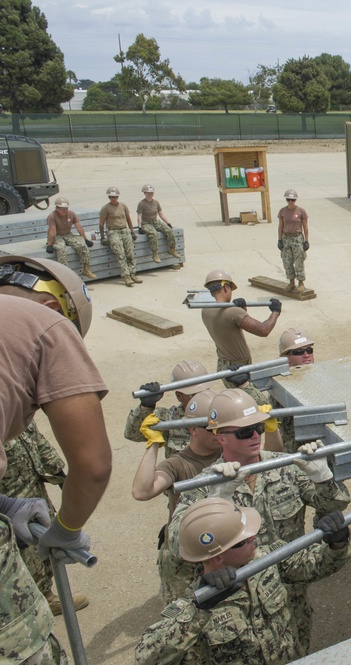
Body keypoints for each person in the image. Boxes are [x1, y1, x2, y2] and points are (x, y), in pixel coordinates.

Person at [168, 389, 351, 658]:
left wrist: (323, 479)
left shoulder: (285, 465)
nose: (255, 436)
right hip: (234, 602)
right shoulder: (205, 484)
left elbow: (330, 509)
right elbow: (175, 543)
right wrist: (215, 504)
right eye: (244, 432)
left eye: (258, 427)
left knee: (296, 650)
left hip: (289, 592)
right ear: (220, 438)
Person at [0, 255, 112, 664]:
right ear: (53, 309)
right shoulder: (43, 323)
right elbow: (93, 465)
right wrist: (66, 529)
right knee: (26, 648)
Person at [136, 498, 351, 665]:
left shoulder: (266, 559)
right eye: (243, 540)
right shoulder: (195, 603)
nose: (254, 538)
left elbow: (315, 565)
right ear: (217, 557)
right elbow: (146, 657)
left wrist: (336, 544)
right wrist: (197, 611)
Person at [132, 389, 221, 603]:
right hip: (185, 558)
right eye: (211, 428)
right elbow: (142, 491)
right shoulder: (178, 463)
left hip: (220, 548)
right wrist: (153, 444)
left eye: (223, 426)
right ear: (192, 429)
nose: (219, 433)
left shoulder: (229, 452)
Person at [0, 420, 89, 617]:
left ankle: (45, 595)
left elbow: (38, 441)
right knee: (23, 557)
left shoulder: (13, 409)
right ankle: (36, 604)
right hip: (10, 501)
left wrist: (61, 476)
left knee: (44, 546)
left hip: (35, 495)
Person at [201, 269, 281, 402]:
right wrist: (275, 312)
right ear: (226, 287)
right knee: (260, 404)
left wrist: (242, 310)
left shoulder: (205, 310)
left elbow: (229, 327)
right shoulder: (233, 313)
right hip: (238, 372)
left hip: (224, 365)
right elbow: (264, 330)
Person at [124, 360, 216, 458]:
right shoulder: (169, 417)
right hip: (182, 472)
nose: (201, 398)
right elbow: (132, 434)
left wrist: (234, 385)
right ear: (179, 396)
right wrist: (146, 407)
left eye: (204, 391)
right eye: (194, 395)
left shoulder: (221, 411)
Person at [44, 196, 96, 279]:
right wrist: (49, 244)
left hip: (68, 234)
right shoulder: (52, 216)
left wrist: (85, 239)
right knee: (61, 248)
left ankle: (86, 269)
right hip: (57, 235)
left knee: (82, 245)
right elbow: (52, 231)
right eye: (61, 208)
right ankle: (63, 274)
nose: (64, 210)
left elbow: (79, 227)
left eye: (66, 208)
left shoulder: (71, 214)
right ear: (56, 208)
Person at [99, 185, 141, 287]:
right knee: (120, 254)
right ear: (109, 197)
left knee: (130, 253)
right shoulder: (105, 208)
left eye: (115, 197)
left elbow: (128, 219)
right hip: (113, 232)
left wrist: (132, 231)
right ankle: (126, 276)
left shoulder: (123, 206)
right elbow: (101, 223)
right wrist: (103, 237)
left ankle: (133, 273)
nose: (114, 199)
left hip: (124, 230)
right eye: (111, 197)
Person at [136, 184, 181, 266]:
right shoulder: (141, 203)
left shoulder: (156, 202)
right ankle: (155, 253)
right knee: (153, 234)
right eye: (149, 193)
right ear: (145, 193)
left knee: (169, 231)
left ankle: (172, 249)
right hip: (146, 223)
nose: (150, 194)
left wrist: (168, 223)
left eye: (152, 193)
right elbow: (139, 216)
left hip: (155, 221)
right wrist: (139, 227)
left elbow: (161, 214)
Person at [277, 188, 309, 293]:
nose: (290, 202)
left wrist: (306, 241)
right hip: (286, 238)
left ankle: (301, 282)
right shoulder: (282, 211)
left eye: (293, 200)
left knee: (299, 260)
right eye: (288, 199)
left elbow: (305, 226)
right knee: (287, 261)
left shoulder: (301, 211)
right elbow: (280, 226)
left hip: (297, 238)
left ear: (295, 200)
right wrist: (279, 239)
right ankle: (291, 282)